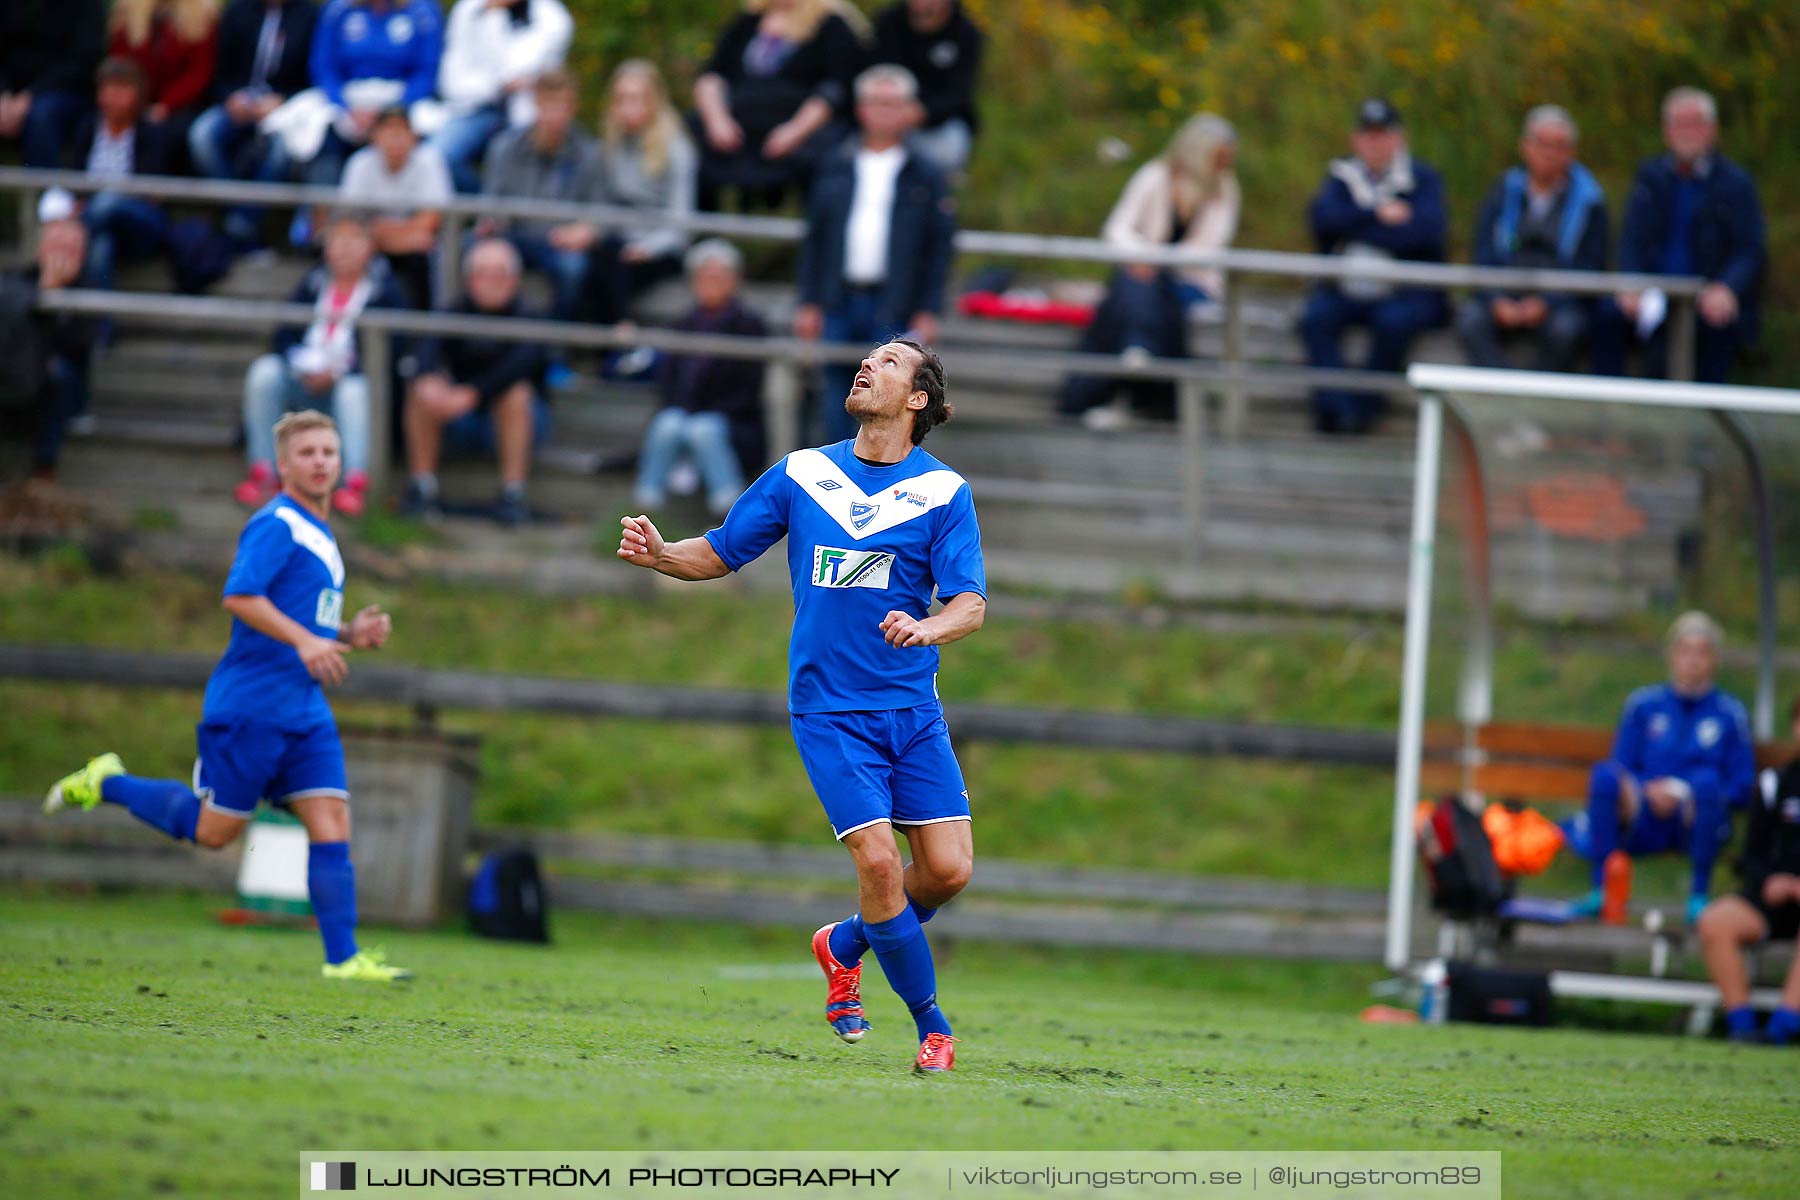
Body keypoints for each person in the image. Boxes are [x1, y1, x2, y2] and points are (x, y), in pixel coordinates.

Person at [617, 337, 984, 1075]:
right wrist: (661, 553)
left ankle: (843, 942)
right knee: (881, 865)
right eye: (868, 357)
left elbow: (969, 604)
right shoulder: (803, 474)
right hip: (828, 710)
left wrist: (927, 626)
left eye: (888, 362)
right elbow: (719, 551)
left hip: (910, 710)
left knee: (945, 873)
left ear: (916, 400)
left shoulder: (944, 492)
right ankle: (931, 1026)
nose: (867, 365)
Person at [43, 409, 412, 983]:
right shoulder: (275, 524)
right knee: (214, 833)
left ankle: (343, 959)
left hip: (304, 707)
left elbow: (295, 614)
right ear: (283, 464)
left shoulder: (321, 532)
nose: (320, 462)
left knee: (331, 817)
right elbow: (240, 596)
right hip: (252, 704)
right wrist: (306, 644)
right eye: (308, 453)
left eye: (329, 453)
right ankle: (106, 781)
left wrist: (346, 635)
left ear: (342, 463)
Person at [794, 66, 954, 444]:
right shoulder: (836, 163)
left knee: (892, 398)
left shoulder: (926, 173)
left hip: (894, 302)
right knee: (837, 392)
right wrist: (809, 301)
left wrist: (928, 308)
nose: (884, 111)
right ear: (862, 108)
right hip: (838, 297)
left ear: (909, 110)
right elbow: (815, 239)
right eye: (877, 102)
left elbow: (938, 247)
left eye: (893, 103)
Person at [1564, 612, 1755, 926]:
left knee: (1706, 782)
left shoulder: (1729, 714)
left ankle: (1698, 898)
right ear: (1672, 656)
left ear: (1714, 660)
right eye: (1685, 651)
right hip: (1643, 813)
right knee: (1604, 776)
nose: (1692, 661)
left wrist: (1685, 792)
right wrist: (1646, 789)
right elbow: (1620, 766)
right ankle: (1602, 889)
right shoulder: (1643, 705)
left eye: (1702, 652)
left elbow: (1743, 784)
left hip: (1696, 820)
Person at [1059, 113, 1238, 428]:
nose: (1224, 164)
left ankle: (1121, 371)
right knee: (1135, 290)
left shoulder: (1225, 190)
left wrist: (1151, 260)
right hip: (1144, 278)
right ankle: (1142, 379)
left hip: (1188, 283)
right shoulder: (1155, 176)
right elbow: (1117, 228)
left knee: (1130, 297)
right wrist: (1142, 257)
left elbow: (1207, 249)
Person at [236, 213, 409, 516]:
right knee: (265, 372)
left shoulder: (387, 291)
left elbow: (392, 350)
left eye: (353, 240)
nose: (343, 249)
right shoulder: (314, 283)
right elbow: (283, 334)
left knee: (355, 390)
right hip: (304, 380)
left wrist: (339, 371)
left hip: (349, 389)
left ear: (370, 247)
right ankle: (265, 473)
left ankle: (355, 483)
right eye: (337, 241)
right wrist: (302, 363)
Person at [1592, 87, 1765, 384]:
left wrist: (1727, 288)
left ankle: (1705, 422)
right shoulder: (1650, 177)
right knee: (1607, 317)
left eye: (1694, 123)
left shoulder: (1735, 183)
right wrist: (1631, 282)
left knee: (1715, 326)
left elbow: (1749, 250)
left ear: (1712, 130)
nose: (1687, 132)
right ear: (1666, 130)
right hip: (1652, 293)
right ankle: (1608, 415)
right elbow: (1631, 239)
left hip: (1706, 295)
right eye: (1679, 124)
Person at [1298, 98, 1447, 435]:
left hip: (1402, 292)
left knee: (1394, 323)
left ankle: (1363, 412)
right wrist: (1377, 215)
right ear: (1356, 139)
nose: (1375, 143)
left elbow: (1424, 234)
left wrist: (1355, 226)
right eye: (1368, 135)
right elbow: (1321, 221)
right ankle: (1338, 409)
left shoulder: (1422, 178)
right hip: (1346, 288)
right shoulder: (1341, 177)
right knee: (1315, 318)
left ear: (1399, 138)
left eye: (1383, 135)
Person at [400, 238, 549, 526]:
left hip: (522, 422)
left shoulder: (531, 318)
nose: (491, 282)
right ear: (469, 279)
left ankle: (512, 495)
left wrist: (474, 393)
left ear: (515, 280)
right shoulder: (452, 312)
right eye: (483, 273)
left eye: (499, 274)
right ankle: (422, 488)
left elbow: (520, 366)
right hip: (459, 417)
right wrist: (431, 380)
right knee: (422, 389)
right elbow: (424, 353)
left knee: (516, 395)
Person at [1456, 105, 1609, 373]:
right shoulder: (1503, 191)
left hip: (1561, 299)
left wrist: (1546, 303)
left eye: (1559, 145)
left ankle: (1534, 399)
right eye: (1542, 143)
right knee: (1469, 319)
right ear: (1525, 146)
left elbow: (1591, 266)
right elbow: (1482, 253)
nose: (1549, 153)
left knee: (1567, 330)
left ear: (1572, 152)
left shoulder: (1590, 200)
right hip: (1504, 292)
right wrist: (1496, 300)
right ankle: (1505, 393)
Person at [634, 239, 768, 515]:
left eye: (718, 278)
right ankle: (646, 504)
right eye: (705, 277)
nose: (711, 284)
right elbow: (667, 381)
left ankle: (728, 507)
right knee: (667, 423)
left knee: (704, 428)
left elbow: (748, 391)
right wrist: (685, 409)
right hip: (684, 414)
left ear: (734, 281)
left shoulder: (749, 326)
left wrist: (701, 412)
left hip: (733, 422)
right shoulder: (682, 323)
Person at [691, 0, 864, 211]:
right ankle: (704, 233)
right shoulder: (748, 20)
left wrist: (794, 132)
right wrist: (717, 121)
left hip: (801, 129)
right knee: (691, 136)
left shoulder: (831, 24)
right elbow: (712, 76)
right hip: (738, 127)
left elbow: (835, 89)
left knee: (822, 153)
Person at [1696, 698, 1800, 1046]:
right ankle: (1742, 1025)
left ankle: (1783, 1027)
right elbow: (1752, 855)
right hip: (1772, 897)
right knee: (1714, 921)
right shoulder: (1775, 782)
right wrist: (1771, 880)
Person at [188, 0, 320, 246]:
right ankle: (241, 214)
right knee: (202, 135)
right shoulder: (237, 12)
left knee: (282, 151)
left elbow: (314, 78)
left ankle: (241, 222)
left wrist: (284, 101)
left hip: (286, 110)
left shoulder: (308, 16)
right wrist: (231, 97)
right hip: (237, 105)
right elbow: (217, 73)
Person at [273, 0, 444, 188]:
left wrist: (391, 111)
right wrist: (344, 106)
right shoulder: (337, 9)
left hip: (401, 100)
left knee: (422, 138)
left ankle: (413, 209)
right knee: (318, 139)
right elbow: (323, 65)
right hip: (348, 99)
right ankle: (319, 211)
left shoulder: (423, 11)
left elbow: (428, 71)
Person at [478, 69, 605, 323]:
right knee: (476, 253)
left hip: (559, 242)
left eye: (562, 105)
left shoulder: (589, 153)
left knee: (574, 268)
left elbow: (598, 213)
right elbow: (489, 206)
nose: (554, 114)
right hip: (514, 236)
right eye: (548, 104)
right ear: (536, 104)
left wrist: (584, 231)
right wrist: (493, 227)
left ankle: (551, 347)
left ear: (573, 108)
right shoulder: (505, 147)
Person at [591, 60, 699, 325]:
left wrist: (647, 248)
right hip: (615, 243)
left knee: (608, 272)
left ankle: (621, 333)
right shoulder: (608, 147)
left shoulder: (677, 149)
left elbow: (681, 225)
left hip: (660, 248)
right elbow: (599, 206)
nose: (628, 107)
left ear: (654, 101)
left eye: (636, 98)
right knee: (586, 266)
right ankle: (621, 339)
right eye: (622, 99)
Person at [431, 0, 573, 193]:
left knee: (515, 155)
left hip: (528, 113)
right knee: (437, 157)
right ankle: (483, 210)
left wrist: (489, 16)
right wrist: (496, 85)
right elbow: (451, 81)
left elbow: (520, 65)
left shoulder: (554, 17)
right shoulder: (468, 9)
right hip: (474, 109)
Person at [66, 59, 176, 298]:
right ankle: (101, 329)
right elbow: (74, 182)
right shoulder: (87, 129)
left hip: (141, 221)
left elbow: (152, 193)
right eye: (109, 88)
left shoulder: (151, 132)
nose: (115, 96)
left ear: (138, 94)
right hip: (102, 224)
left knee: (108, 202)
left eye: (123, 88)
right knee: (101, 247)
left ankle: (75, 232)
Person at [0, 218, 97, 484]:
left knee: (58, 373)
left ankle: (45, 466)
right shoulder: (15, 281)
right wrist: (43, 292)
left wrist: (53, 300)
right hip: (14, 376)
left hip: (57, 389)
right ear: (41, 248)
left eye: (72, 248)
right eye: (58, 246)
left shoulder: (89, 293)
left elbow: (79, 346)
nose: (64, 255)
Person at [339, 105, 453, 307]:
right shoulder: (359, 164)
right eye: (388, 130)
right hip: (373, 246)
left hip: (414, 251)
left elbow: (429, 223)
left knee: (421, 260)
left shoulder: (430, 161)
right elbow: (353, 224)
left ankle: (421, 329)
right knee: (347, 250)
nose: (395, 138)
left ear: (413, 136)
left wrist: (379, 232)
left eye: (401, 131)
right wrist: (401, 235)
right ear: (375, 136)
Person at [870, 0, 982, 176]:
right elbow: (874, 73)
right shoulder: (888, 22)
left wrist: (922, 112)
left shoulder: (966, 33)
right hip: (885, 111)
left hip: (936, 122)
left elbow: (959, 95)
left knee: (945, 154)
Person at [107, 0, 222, 168]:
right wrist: (134, 102)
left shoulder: (203, 13)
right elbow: (120, 64)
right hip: (134, 99)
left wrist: (166, 105)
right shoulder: (127, 10)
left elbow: (199, 73)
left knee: (171, 132)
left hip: (182, 104)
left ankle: (155, 191)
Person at [0, 0, 107, 169]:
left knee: (42, 116)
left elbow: (84, 61)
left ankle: (44, 193)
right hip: (9, 94)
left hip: (65, 92)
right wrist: (4, 93)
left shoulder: (86, 6)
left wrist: (30, 95)